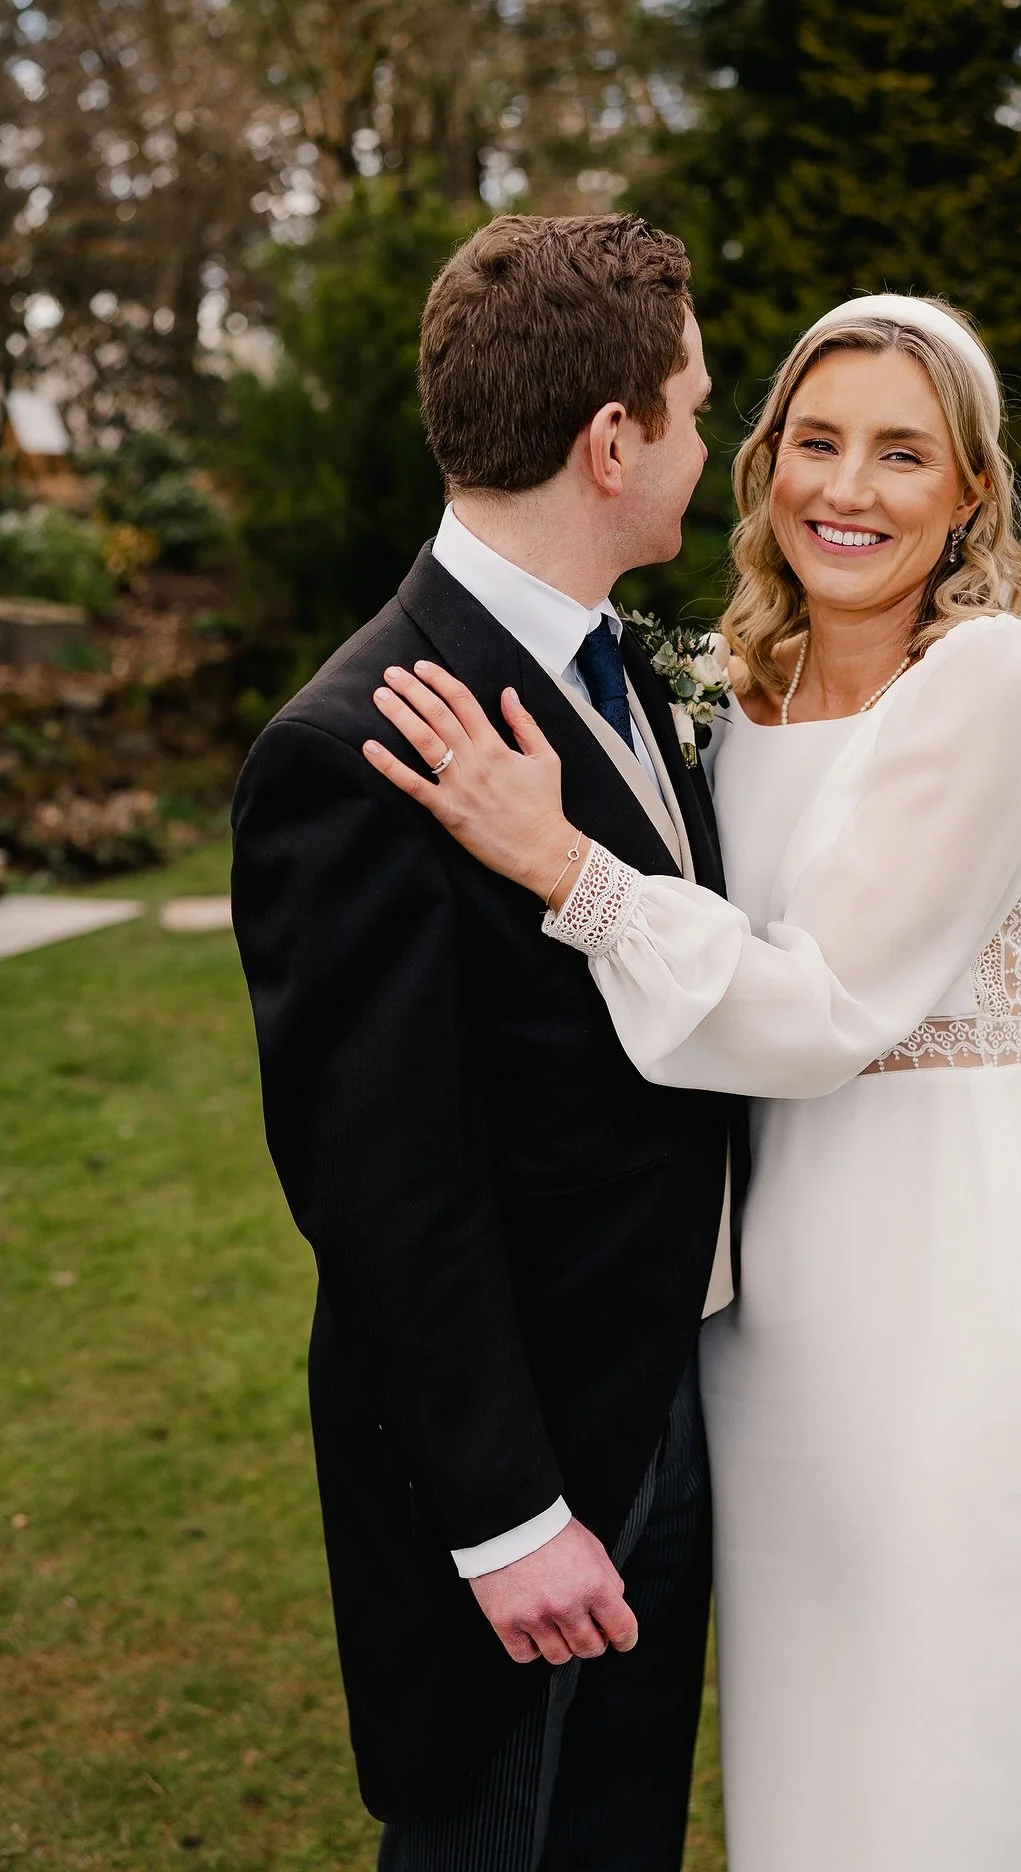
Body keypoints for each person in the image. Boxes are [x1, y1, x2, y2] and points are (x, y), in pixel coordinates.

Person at [367, 292, 1021, 1871]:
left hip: (945, 1263)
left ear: (969, 496)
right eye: (814, 441)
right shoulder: (728, 688)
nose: (846, 491)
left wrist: (563, 863)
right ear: (762, 464)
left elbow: (824, 1009)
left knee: (968, 1672)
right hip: (766, 1282)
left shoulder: (994, 682)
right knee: (824, 1686)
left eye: (899, 454)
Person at [230, 212, 745, 1872]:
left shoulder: (623, 675)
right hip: (518, 1479)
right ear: (615, 443)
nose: (710, 443)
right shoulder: (358, 748)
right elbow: (385, 1190)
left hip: (657, 1391)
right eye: (696, 406)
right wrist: (511, 1522)